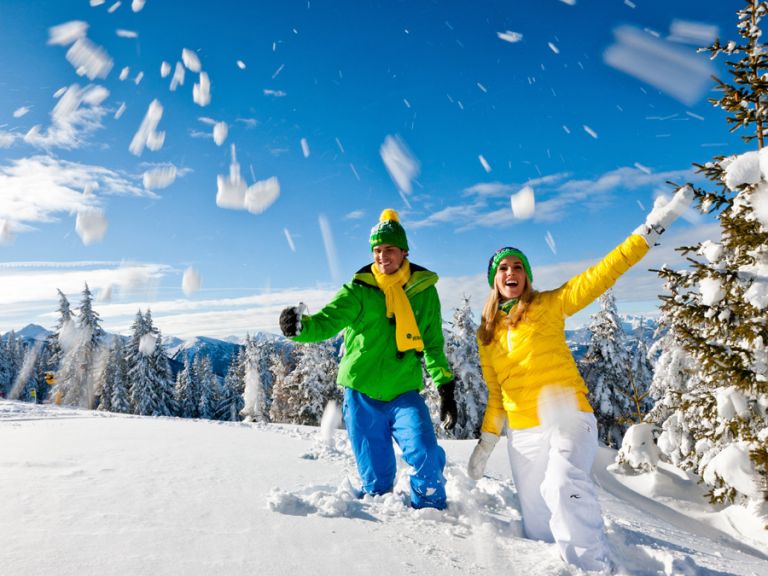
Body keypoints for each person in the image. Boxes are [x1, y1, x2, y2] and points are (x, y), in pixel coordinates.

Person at [467, 186, 694, 572]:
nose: (511, 272)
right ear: (494, 280)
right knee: (539, 527)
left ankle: (594, 567)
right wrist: (486, 444)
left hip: (568, 417)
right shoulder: (486, 334)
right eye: (503, 268)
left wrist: (651, 228)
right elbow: (494, 394)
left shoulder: (549, 305)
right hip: (522, 434)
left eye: (517, 266)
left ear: (527, 276)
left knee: (562, 486)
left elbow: (602, 273)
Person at [279, 208, 457, 510]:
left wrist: (445, 386)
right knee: (377, 487)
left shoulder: (424, 292)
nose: (382, 256)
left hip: (404, 392)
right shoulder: (358, 291)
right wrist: (299, 327)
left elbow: (433, 344)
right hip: (361, 395)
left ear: (404, 252)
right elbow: (326, 321)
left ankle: (432, 516)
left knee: (425, 453)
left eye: (389, 249)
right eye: (377, 250)